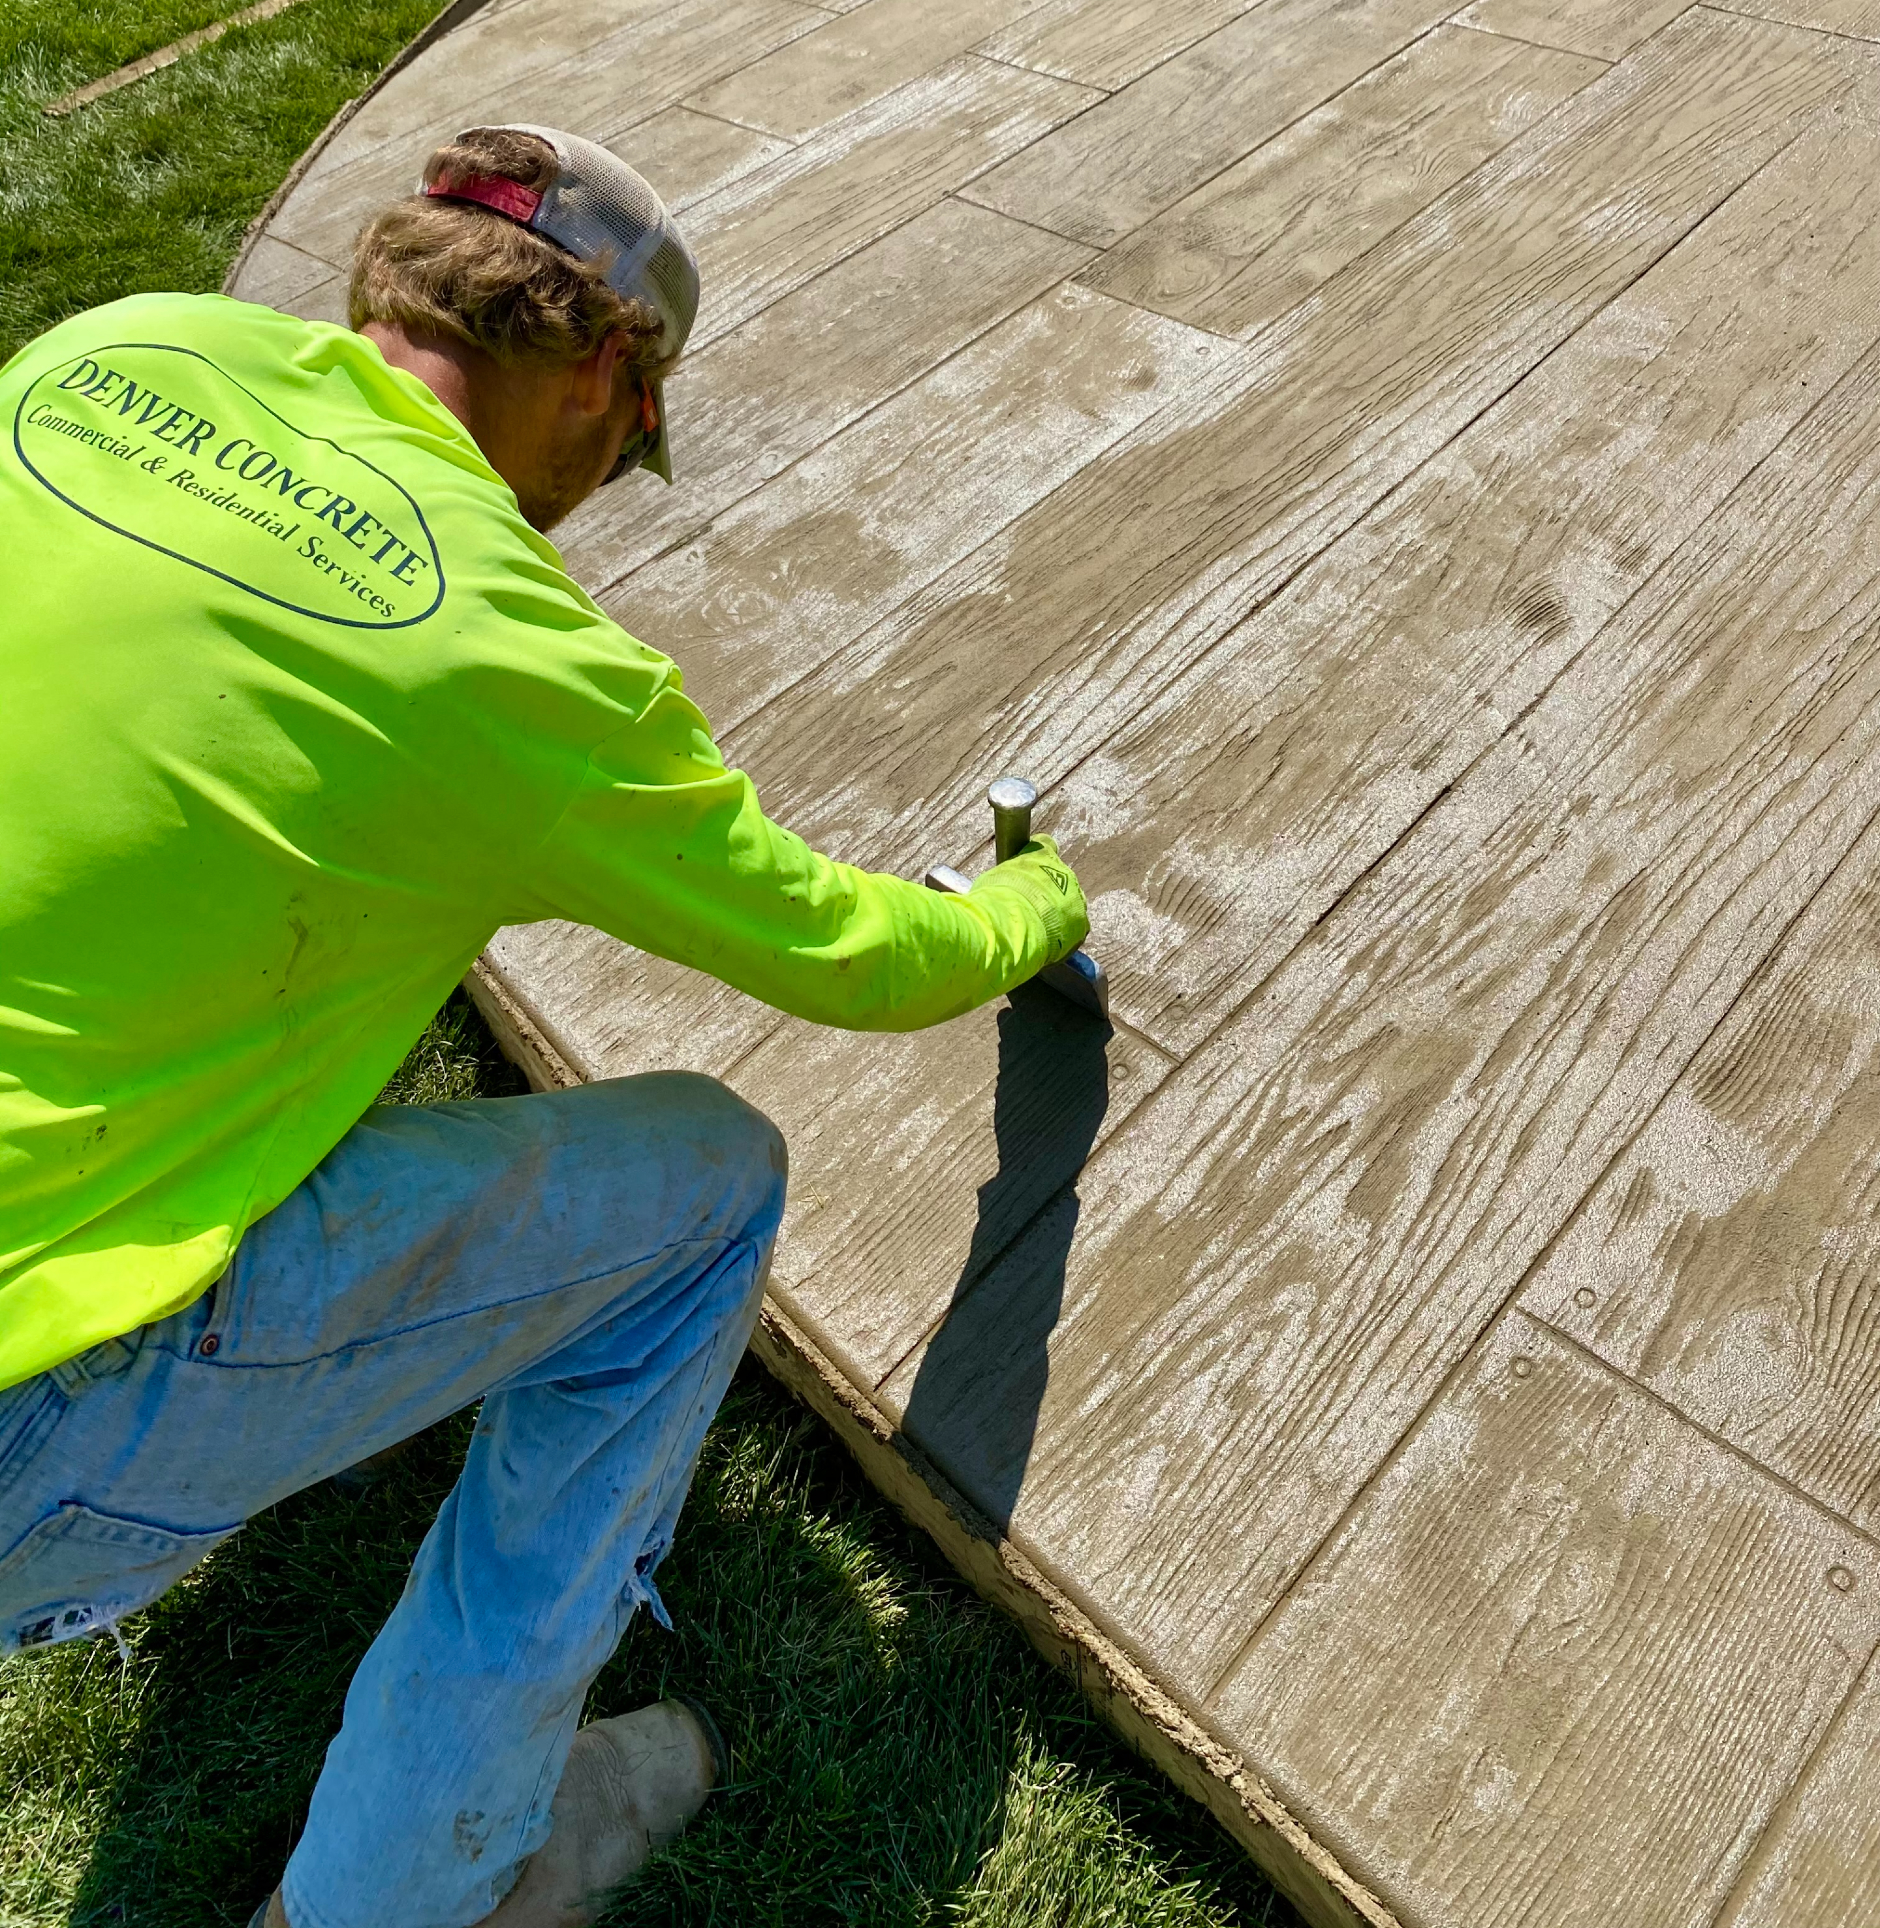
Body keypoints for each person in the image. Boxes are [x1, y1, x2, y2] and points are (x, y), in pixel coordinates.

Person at [0, 124, 1088, 1928]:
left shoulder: (100, 360)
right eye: (626, 443)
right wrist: (1031, 907)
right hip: (35, 1393)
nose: (593, 491)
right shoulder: (523, 668)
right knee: (703, 1190)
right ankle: (434, 1876)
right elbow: (852, 955)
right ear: (602, 373)